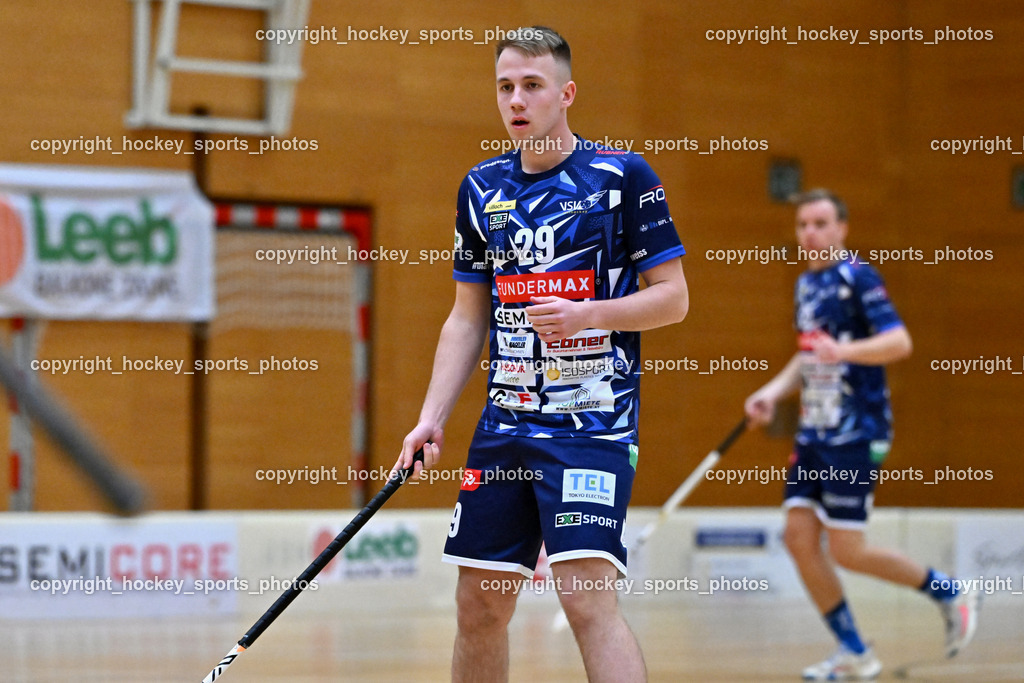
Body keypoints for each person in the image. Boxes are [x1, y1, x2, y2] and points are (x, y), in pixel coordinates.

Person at [392, 26, 687, 682]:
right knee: (479, 605)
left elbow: (673, 299)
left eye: (532, 85)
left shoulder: (622, 177)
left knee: (585, 598)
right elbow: (467, 318)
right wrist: (430, 415)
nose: (516, 99)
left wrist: (591, 314)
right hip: (504, 427)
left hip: (592, 427)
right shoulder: (480, 189)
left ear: (565, 93)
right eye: (505, 87)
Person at [744, 189, 979, 680]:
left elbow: (899, 342)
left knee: (847, 550)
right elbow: (810, 355)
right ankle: (853, 648)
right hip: (815, 432)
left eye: (821, 223)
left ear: (842, 228)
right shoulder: (807, 285)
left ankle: (947, 590)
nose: (810, 232)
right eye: (803, 224)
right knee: (797, 536)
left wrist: (843, 355)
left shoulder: (859, 277)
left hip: (857, 431)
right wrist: (772, 391)